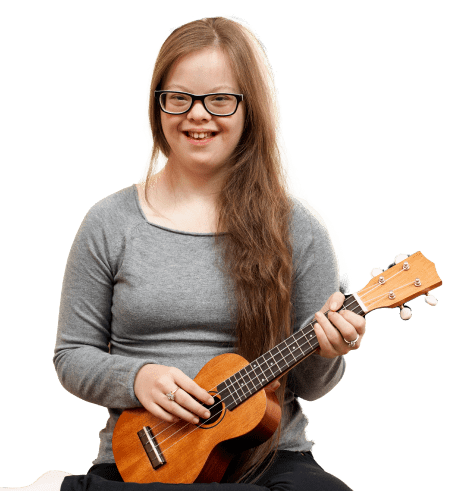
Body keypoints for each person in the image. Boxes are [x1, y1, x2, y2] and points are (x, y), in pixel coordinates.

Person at [1, 14, 366, 491]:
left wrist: (329, 349)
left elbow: (312, 386)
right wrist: (139, 378)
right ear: (158, 107)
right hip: (148, 459)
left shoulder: (299, 228)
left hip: (269, 459)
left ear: (248, 109)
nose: (197, 114)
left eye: (219, 99)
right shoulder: (109, 223)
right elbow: (71, 355)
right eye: (179, 98)